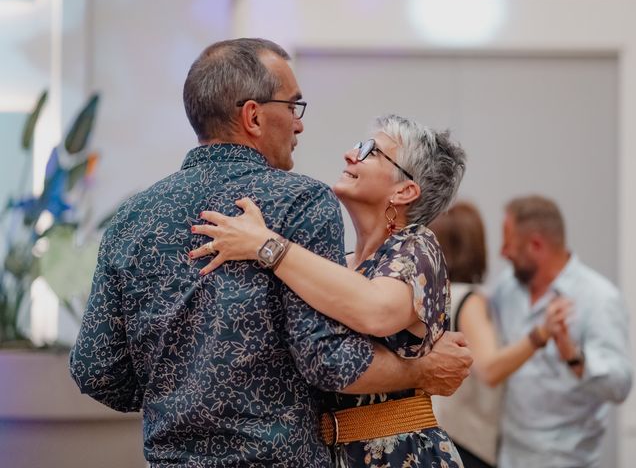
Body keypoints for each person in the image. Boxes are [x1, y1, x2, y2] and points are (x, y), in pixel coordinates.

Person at [69, 38, 472, 467]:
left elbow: (96, 369)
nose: (299, 125)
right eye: (293, 107)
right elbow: (330, 361)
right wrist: (422, 370)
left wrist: (176, 396)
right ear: (254, 116)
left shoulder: (131, 217)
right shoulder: (300, 202)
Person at [190, 114, 467, 467]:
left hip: (402, 453)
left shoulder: (417, 246)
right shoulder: (338, 263)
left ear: (405, 190)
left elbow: (376, 310)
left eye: (371, 151)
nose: (351, 155)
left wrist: (266, 245)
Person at [491, 195, 633, 468]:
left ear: (535, 245)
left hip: (565, 460)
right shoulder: (506, 288)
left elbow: (620, 387)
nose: (503, 253)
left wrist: (573, 355)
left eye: (509, 243)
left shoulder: (599, 298)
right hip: (508, 456)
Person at [429, 201, 569, 468]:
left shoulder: (431, 299)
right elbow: (489, 370)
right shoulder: (468, 301)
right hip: (465, 444)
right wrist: (540, 334)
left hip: (438, 438)